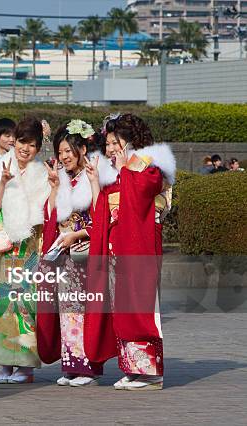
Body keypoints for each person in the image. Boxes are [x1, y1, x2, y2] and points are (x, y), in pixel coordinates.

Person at [84, 113, 175, 391]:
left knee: (140, 303)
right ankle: (133, 368)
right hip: (117, 245)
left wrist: (125, 170)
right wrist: (94, 183)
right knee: (121, 307)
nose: (110, 149)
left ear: (131, 141)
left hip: (139, 246)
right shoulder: (118, 171)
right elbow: (102, 213)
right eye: (108, 144)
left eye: (115, 142)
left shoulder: (150, 167)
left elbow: (142, 199)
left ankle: (151, 372)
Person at [36, 120, 115, 387]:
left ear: (82, 148)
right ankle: (71, 365)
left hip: (85, 252)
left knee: (84, 308)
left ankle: (88, 367)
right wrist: (55, 186)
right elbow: (50, 217)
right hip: (65, 254)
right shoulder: (66, 178)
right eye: (60, 153)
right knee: (67, 309)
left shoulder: (96, 174)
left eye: (68, 151)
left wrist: (77, 234)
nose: (64, 157)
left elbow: (101, 215)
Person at [0, 117, 50, 384]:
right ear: (15, 141)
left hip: (31, 248)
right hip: (7, 248)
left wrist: (54, 188)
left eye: (32, 144)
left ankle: (26, 366)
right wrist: (2, 183)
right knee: (3, 305)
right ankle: (6, 363)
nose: (26, 148)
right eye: (22, 142)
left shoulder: (41, 172)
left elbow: (47, 212)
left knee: (25, 305)